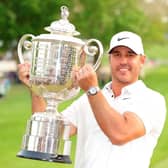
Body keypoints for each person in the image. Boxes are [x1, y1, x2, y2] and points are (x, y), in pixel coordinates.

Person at [18, 31, 166, 168]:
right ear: (110, 59)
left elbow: (120, 134)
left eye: (130, 55)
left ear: (142, 60)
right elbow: (48, 133)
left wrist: (92, 89)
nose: (123, 61)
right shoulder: (87, 100)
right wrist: (36, 87)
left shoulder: (153, 100)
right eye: (117, 54)